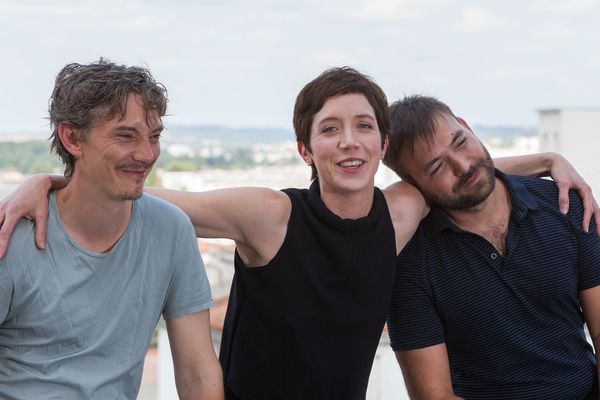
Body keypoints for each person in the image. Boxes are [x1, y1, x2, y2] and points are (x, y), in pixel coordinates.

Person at [0, 67, 596, 400]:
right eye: (330, 129)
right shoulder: (271, 215)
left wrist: (546, 159)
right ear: (306, 150)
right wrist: (50, 181)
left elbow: (460, 174)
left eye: (364, 126)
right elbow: (144, 190)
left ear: (382, 147)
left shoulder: (398, 215)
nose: (349, 140)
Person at [0, 60, 223, 399]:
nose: (147, 154)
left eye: (154, 136)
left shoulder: (171, 230)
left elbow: (197, 373)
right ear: (72, 138)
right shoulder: (13, 233)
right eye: (125, 135)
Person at [383, 95, 600, 400]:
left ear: (466, 126)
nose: (463, 165)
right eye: (436, 168)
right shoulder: (410, 260)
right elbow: (435, 397)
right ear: (414, 185)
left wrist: (551, 158)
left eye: (460, 142)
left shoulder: (565, 204)